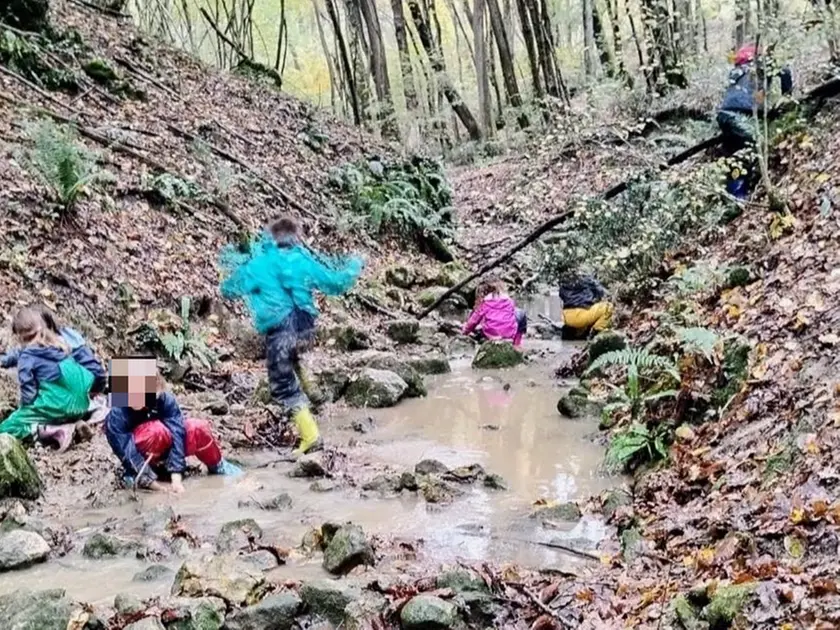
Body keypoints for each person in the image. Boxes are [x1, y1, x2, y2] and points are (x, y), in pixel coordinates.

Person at [219, 216, 363, 457]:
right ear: (295, 238)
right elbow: (335, 283)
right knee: (291, 356)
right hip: (306, 332)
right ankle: (314, 392)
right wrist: (354, 265)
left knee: (283, 386)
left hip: (281, 333)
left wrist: (239, 266)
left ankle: (311, 436)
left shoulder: (259, 263)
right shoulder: (303, 260)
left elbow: (229, 289)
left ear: (271, 238)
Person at [104, 356, 241, 492]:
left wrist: (176, 479)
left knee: (197, 428)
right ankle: (137, 476)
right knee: (156, 431)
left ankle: (218, 465)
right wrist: (156, 486)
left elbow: (177, 432)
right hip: (142, 455)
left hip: (167, 450)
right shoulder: (116, 414)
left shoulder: (164, 399)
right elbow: (126, 451)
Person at [0, 306, 106, 451]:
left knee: (12, 425)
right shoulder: (59, 341)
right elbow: (23, 352)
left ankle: (49, 430)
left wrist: (24, 410)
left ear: (20, 335)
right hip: (84, 398)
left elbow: (28, 392)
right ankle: (79, 420)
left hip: (77, 393)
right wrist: (4, 360)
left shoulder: (28, 356)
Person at [717, 44, 793, 198]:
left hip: (724, 114)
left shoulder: (735, 71)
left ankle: (732, 196)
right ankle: (739, 197)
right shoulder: (761, 66)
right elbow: (785, 70)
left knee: (734, 153)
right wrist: (788, 95)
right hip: (743, 114)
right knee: (751, 149)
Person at [462, 277, 527, 347]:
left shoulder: (484, 303)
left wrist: (465, 331)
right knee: (520, 313)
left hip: (491, 335)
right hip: (509, 334)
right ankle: (517, 343)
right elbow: (511, 315)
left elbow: (473, 322)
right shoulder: (509, 300)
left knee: (480, 325)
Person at [558, 273, 613, 338]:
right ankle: (596, 331)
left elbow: (562, 296)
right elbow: (601, 292)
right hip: (582, 316)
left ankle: (576, 332)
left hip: (567, 317)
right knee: (608, 306)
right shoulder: (589, 280)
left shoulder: (565, 283)